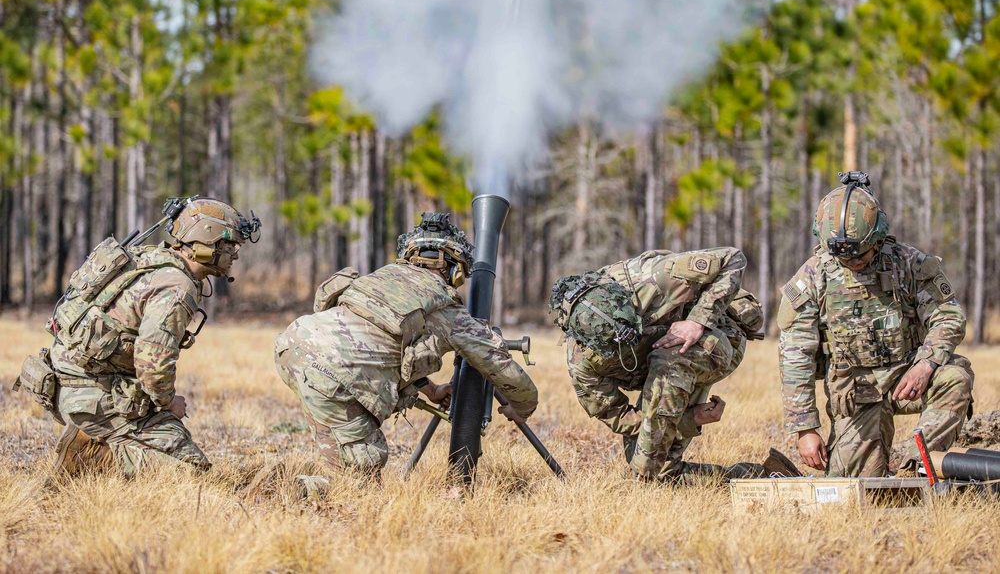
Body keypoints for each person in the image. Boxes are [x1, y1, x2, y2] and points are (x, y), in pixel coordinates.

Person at [274, 213, 538, 477]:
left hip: (294, 348)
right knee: (359, 481)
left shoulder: (382, 277)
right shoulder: (446, 308)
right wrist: (522, 406)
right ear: (454, 270)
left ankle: (283, 483)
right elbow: (496, 361)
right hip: (337, 376)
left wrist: (431, 389)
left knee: (339, 464)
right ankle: (289, 488)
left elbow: (388, 347)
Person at [777, 171, 974, 477]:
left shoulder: (908, 264)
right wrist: (805, 428)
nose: (854, 262)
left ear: (878, 238)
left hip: (907, 374)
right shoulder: (814, 277)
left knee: (955, 375)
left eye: (861, 254)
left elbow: (948, 316)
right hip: (855, 390)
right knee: (857, 488)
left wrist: (926, 364)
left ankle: (918, 466)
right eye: (844, 258)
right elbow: (795, 356)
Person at [45, 197, 260, 475]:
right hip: (89, 396)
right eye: (230, 246)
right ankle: (91, 454)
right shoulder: (176, 285)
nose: (235, 255)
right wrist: (169, 402)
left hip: (62, 382)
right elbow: (153, 365)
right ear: (206, 244)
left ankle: (97, 438)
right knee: (189, 473)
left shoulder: (149, 259)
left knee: (175, 439)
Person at [550, 247, 766, 482]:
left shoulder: (654, 279)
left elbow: (732, 257)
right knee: (656, 468)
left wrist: (697, 320)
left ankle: (645, 478)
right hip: (661, 375)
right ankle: (758, 477)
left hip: (716, 338)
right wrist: (687, 420)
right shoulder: (582, 364)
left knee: (666, 365)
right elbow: (619, 415)